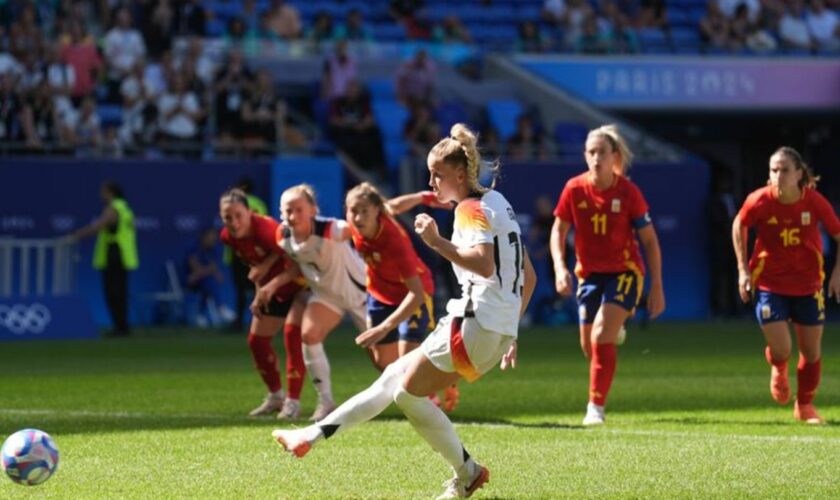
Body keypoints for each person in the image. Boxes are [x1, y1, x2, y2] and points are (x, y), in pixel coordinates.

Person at [271, 123, 536, 500]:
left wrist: (435, 241)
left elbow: (483, 263)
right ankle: (310, 436)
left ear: (460, 175)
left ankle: (467, 474)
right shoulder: (498, 203)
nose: (432, 182)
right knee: (392, 378)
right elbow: (529, 276)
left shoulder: (468, 210)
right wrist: (512, 330)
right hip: (492, 327)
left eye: (437, 175)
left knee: (405, 395)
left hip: (475, 324)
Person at [550, 124, 665, 426]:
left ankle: (595, 408)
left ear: (614, 156)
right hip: (589, 275)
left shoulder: (628, 192)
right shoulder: (574, 188)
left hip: (625, 272)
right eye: (591, 152)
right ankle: (616, 327)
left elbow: (650, 241)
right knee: (590, 347)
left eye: (602, 151)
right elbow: (558, 231)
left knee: (601, 336)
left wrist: (657, 287)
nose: (596, 157)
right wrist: (560, 269)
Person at [731, 147, 840, 424]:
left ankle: (805, 406)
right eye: (773, 170)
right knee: (782, 349)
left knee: (811, 352)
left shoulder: (814, 202)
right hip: (770, 284)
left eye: (785, 170)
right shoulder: (759, 201)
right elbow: (739, 225)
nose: (778, 176)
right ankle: (778, 366)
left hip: (808, 284)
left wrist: (837, 273)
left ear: (799, 174)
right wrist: (743, 270)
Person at [254, 184, 368, 421]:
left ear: (313, 210)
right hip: (327, 297)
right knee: (309, 335)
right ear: (280, 212)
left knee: (385, 360)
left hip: (361, 294)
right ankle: (326, 402)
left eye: (298, 209)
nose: (293, 216)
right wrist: (271, 285)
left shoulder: (332, 229)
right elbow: (298, 263)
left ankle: (429, 396)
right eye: (287, 210)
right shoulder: (283, 235)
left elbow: (363, 226)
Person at [345, 182, 460, 411]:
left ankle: (437, 389)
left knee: (407, 365)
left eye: (364, 211)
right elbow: (394, 205)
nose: (357, 217)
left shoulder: (394, 242)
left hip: (413, 293)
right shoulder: (362, 221)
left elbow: (416, 294)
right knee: (384, 364)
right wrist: (422, 197)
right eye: (353, 211)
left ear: (376, 211)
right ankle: (429, 385)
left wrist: (385, 327)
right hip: (379, 293)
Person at [219, 189, 308, 419]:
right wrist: (260, 292)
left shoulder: (267, 229)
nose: (234, 222)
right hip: (274, 289)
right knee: (257, 342)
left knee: (292, 336)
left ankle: (293, 402)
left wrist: (267, 280)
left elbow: (296, 262)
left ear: (250, 212)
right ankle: (276, 396)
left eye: (239, 215)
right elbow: (256, 266)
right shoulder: (228, 237)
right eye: (228, 217)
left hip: (301, 285)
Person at [69, 181, 138, 337]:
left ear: (110, 193)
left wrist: (76, 235)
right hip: (123, 256)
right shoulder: (126, 208)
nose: (101, 195)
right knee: (119, 291)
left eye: (103, 192)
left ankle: (120, 328)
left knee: (114, 292)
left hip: (115, 254)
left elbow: (98, 226)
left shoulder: (114, 208)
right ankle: (121, 327)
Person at [224, 177, 267, 331]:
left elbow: (231, 229)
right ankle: (263, 320)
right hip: (257, 253)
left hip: (239, 251)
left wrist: (229, 254)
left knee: (240, 289)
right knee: (258, 287)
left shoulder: (235, 204)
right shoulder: (259, 204)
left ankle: (239, 322)